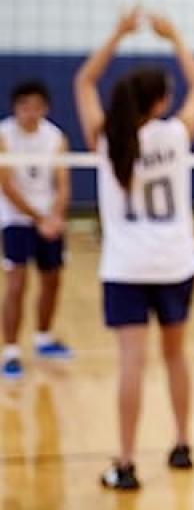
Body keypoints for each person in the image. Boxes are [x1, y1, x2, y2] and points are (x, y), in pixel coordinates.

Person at [74, 8, 194, 491]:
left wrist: (117, 33)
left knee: (131, 363)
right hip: (175, 263)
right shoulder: (175, 136)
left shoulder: (107, 138)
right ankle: (182, 444)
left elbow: (85, 82)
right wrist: (175, 37)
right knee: (176, 355)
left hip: (127, 268)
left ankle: (127, 463)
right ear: (158, 101)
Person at [0, 80, 72, 380]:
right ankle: (11, 350)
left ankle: (43, 338)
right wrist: (37, 217)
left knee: (53, 279)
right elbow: (6, 185)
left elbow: (63, 185)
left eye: (36, 106)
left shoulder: (55, 137)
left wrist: (53, 216)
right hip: (16, 219)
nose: (30, 112)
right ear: (15, 107)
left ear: (45, 108)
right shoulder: (4, 135)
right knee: (17, 282)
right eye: (24, 106)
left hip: (48, 218)